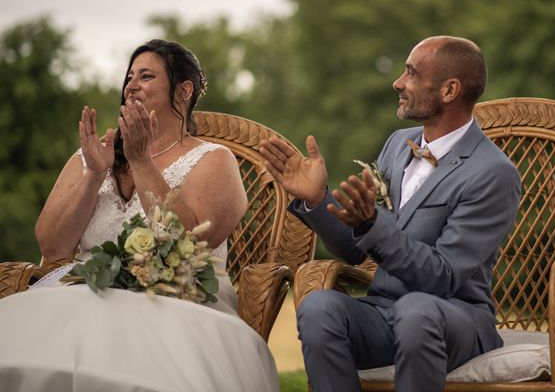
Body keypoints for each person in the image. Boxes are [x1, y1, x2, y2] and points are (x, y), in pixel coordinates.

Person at [0, 39, 279, 392]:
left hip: (178, 302)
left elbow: (189, 241)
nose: (131, 84)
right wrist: (93, 176)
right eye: (130, 75)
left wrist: (141, 160)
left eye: (146, 76)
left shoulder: (215, 159)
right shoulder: (91, 156)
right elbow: (52, 246)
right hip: (84, 294)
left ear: (183, 91)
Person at [259, 36, 521, 392]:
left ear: (449, 90)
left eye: (411, 74)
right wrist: (318, 199)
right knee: (320, 307)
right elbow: (356, 248)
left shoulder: (493, 172)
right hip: (384, 311)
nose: (398, 82)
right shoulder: (398, 145)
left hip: (456, 318)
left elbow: (442, 278)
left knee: (417, 309)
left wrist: (372, 224)